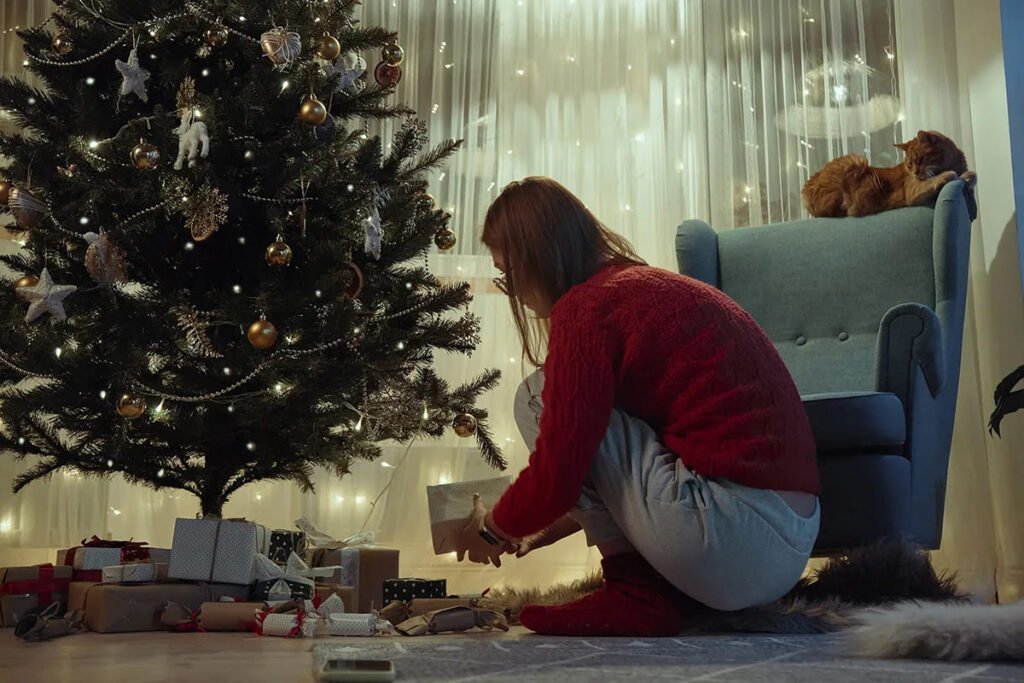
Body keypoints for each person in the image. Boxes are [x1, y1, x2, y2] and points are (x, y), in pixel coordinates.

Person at [454, 177, 821, 637]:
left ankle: (637, 594)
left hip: (731, 538)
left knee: (535, 395)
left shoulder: (586, 309)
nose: (512, 292)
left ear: (537, 257)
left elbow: (561, 468)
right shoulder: (640, 288)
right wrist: (547, 525)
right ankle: (655, 590)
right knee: (579, 409)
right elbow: (633, 463)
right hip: (790, 542)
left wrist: (493, 528)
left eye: (508, 274)